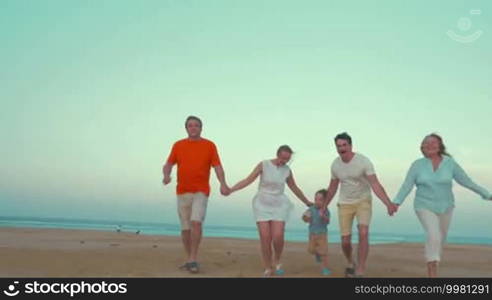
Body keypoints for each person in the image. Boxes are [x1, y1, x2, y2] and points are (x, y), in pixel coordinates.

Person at [392, 133, 492, 277]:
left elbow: (466, 181)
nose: (429, 145)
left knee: (440, 239)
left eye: (433, 142)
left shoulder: (450, 163)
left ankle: (434, 263)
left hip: (446, 206)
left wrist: (487, 194)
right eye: (426, 143)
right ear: (422, 148)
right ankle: (432, 272)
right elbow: (407, 185)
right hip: (423, 205)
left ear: (440, 146)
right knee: (434, 235)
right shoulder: (417, 165)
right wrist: (396, 202)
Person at [229, 145, 313, 276]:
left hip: (279, 204)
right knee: (265, 237)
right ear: (278, 154)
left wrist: (307, 201)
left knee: (278, 236)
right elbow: (248, 180)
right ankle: (267, 266)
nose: (284, 161)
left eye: (287, 159)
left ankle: (277, 259)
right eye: (283, 158)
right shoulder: (264, 165)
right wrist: (231, 189)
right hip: (262, 203)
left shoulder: (287, 171)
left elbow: (294, 188)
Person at [322, 132, 398, 277]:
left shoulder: (363, 161)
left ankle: (360, 269)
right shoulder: (335, 165)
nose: (342, 148)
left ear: (350, 145)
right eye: (339, 146)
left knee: (363, 232)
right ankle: (351, 262)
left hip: (363, 201)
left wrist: (388, 203)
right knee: (345, 241)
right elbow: (332, 187)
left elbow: (375, 184)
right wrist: (324, 206)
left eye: (344, 145)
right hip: (344, 203)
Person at [162, 115, 230, 274]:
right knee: (185, 228)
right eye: (190, 125)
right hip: (182, 192)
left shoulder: (209, 145)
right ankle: (189, 258)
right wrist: (166, 175)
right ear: (186, 128)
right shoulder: (178, 145)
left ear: (201, 128)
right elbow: (168, 164)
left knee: (196, 222)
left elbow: (218, 167)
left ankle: (193, 258)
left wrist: (223, 184)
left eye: (196, 125)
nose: (193, 128)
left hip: (201, 191)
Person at [302, 189, 331, 276]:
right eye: (316, 199)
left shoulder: (325, 210)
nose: (317, 202)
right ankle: (317, 253)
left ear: (325, 201)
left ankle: (325, 268)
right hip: (312, 234)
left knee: (323, 252)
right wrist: (306, 217)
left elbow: (328, 221)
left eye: (320, 200)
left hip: (322, 234)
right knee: (311, 250)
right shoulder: (311, 209)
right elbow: (304, 218)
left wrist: (323, 217)